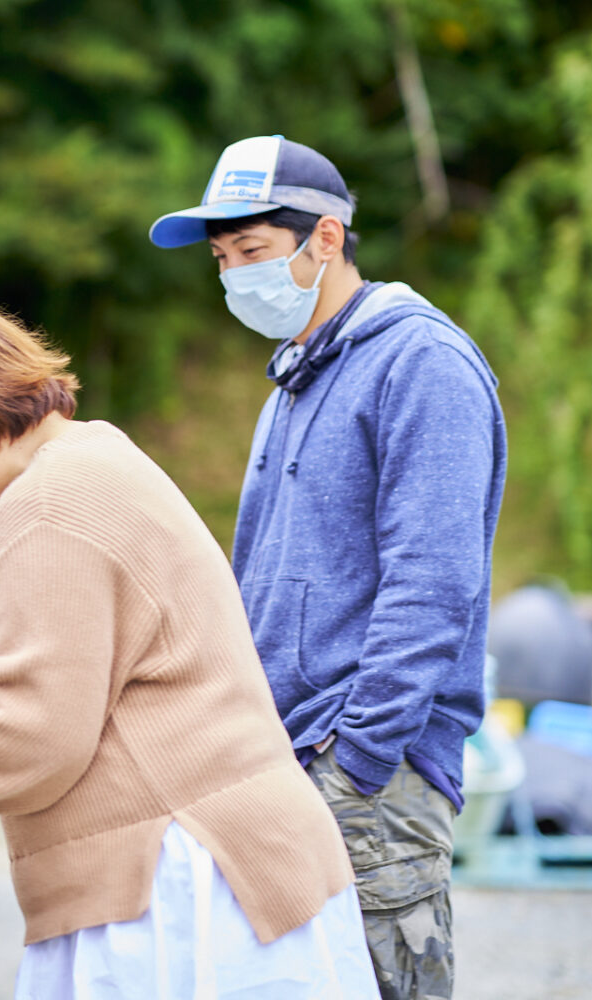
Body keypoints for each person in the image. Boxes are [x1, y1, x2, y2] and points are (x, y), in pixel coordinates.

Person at [0, 289, 377, 999]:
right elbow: (95, 692)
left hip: (179, 882)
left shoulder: (50, 506)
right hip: (221, 861)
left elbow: (33, 740)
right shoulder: (92, 458)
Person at [149, 134, 507, 999]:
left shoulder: (421, 364)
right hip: (278, 760)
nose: (236, 276)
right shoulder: (295, 381)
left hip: (366, 778)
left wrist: (358, 760)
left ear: (327, 240)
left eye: (255, 252)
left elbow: (433, 585)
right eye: (224, 258)